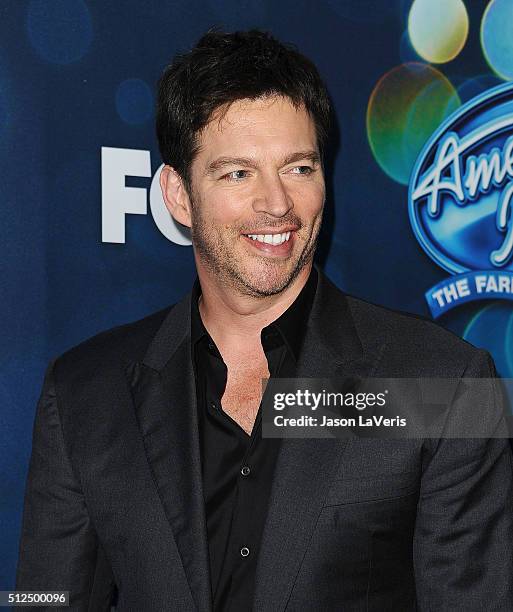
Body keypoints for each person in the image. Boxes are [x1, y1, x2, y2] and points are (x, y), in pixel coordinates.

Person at [16, 29, 513, 611]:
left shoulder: (442, 385)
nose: (277, 204)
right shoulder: (85, 394)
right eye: (238, 173)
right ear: (178, 196)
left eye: (299, 168)